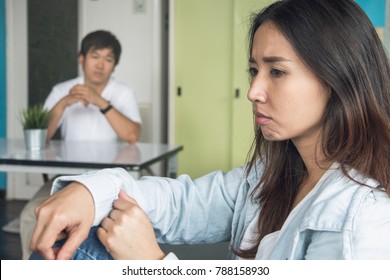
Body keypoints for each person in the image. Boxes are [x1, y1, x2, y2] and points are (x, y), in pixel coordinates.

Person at [30, 0, 390, 260]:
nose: (253, 92)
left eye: (276, 72)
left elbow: (131, 135)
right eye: (254, 71)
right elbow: (183, 202)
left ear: (337, 78)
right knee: (83, 230)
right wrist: (90, 192)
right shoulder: (272, 175)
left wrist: (152, 265)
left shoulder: (363, 220)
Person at [20, 30, 142, 259]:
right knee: (30, 215)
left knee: (104, 226)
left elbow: (132, 135)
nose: (101, 65)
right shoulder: (62, 89)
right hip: (66, 179)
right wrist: (64, 103)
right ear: (81, 58)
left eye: (109, 59)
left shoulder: (123, 92)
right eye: (95, 56)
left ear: (114, 66)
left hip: (109, 180)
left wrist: (100, 102)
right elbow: (41, 136)